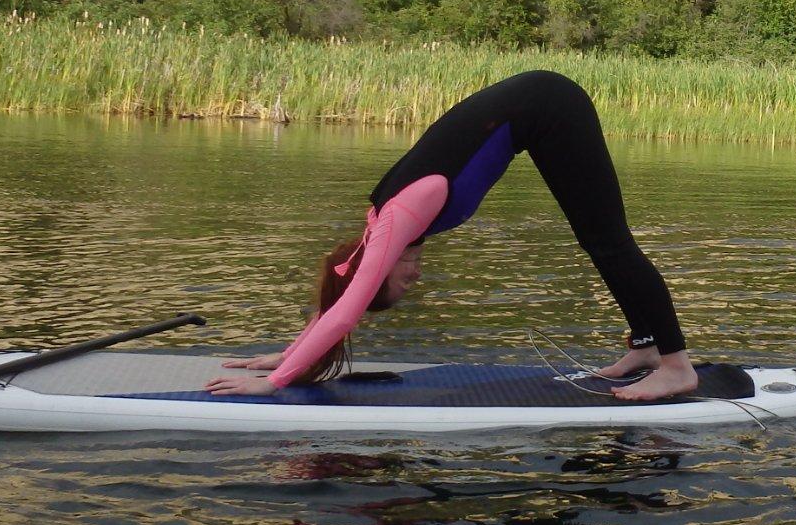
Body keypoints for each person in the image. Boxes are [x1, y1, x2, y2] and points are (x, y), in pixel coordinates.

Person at [205, 71, 697, 402]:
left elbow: (348, 309)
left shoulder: (395, 222)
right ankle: (647, 346)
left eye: (400, 286)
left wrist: (274, 382)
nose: (413, 280)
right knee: (597, 240)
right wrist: (287, 352)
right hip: (536, 115)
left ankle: (676, 366)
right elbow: (340, 297)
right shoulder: (374, 234)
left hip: (551, 105)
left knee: (608, 240)